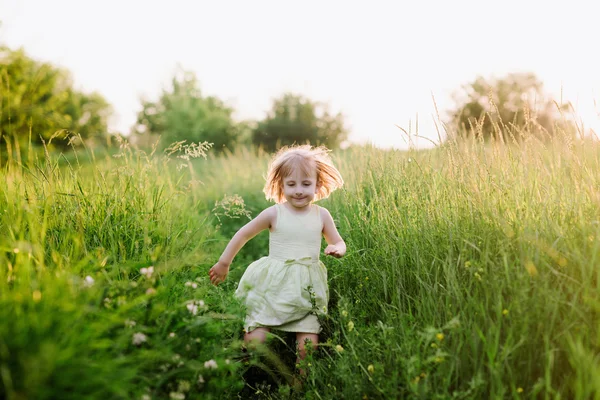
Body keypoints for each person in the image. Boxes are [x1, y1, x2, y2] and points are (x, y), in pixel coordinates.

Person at [209, 144, 346, 366]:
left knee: (307, 344)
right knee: (256, 338)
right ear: (281, 185)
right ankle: (243, 370)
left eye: (306, 184)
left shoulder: (322, 215)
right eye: (291, 184)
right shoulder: (275, 213)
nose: (299, 190)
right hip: (275, 282)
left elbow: (337, 240)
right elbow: (244, 234)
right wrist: (224, 263)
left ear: (318, 185)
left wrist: (337, 249)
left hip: (308, 286)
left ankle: (300, 386)